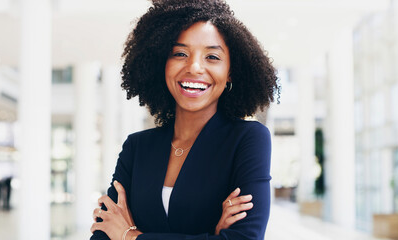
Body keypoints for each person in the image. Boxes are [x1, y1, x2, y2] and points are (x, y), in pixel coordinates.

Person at [90, 0, 279, 239]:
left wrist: (131, 236)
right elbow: (102, 233)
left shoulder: (247, 139)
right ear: (162, 63)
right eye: (180, 53)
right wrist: (211, 234)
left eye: (212, 57)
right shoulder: (137, 148)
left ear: (231, 71)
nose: (194, 67)